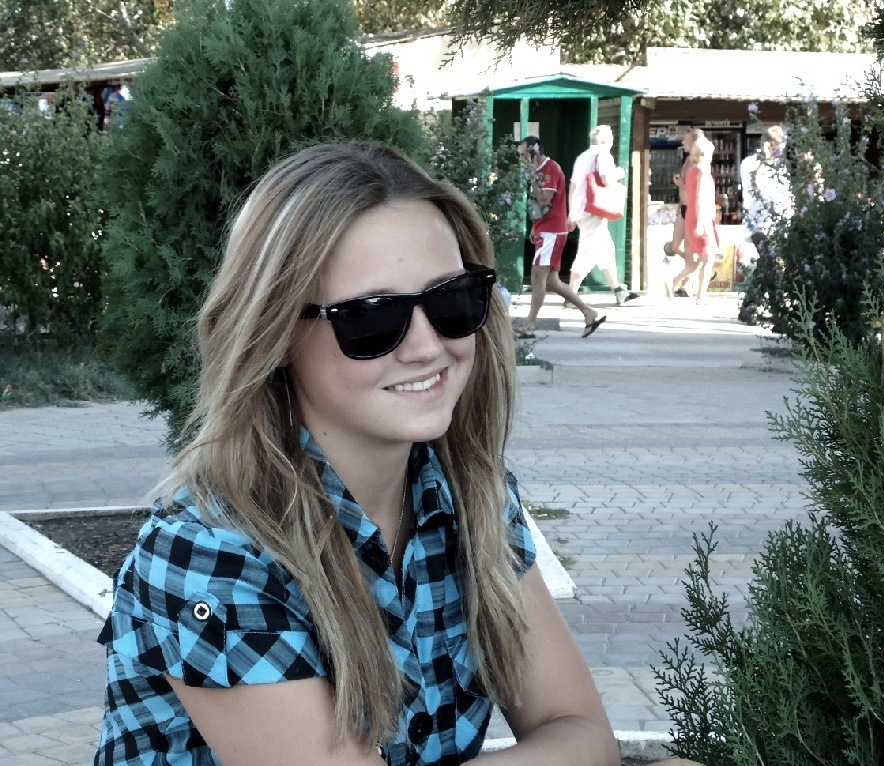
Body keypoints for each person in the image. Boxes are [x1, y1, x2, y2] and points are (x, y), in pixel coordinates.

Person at [93, 142, 705, 766]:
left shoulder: (470, 497)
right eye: (372, 318)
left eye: (452, 301)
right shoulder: (211, 555)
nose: (426, 346)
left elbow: (581, 732)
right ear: (275, 334)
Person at [514, 136, 606, 340]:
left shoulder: (550, 169)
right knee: (552, 281)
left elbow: (544, 199)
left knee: (537, 276)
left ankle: (529, 325)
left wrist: (531, 176)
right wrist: (535, 227)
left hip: (552, 231)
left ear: (534, 153)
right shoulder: (539, 170)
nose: (521, 159)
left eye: (523, 155)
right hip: (546, 229)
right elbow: (541, 206)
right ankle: (588, 312)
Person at [566, 125, 630, 307]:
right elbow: (606, 179)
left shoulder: (582, 157)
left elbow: (573, 186)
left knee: (603, 250)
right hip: (593, 211)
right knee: (588, 253)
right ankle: (571, 295)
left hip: (582, 211)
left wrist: (571, 214)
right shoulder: (603, 155)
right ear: (604, 140)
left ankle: (618, 290)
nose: (612, 141)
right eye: (610, 138)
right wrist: (619, 172)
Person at [738, 125, 792, 323]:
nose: (781, 150)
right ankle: (774, 310)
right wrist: (765, 161)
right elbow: (757, 188)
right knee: (771, 263)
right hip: (759, 222)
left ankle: (753, 306)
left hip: (778, 223)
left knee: (768, 264)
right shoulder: (751, 163)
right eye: (778, 146)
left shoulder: (781, 166)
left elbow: (784, 195)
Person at [668, 134, 719, 304]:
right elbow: (700, 198)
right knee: (707, 259)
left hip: (691, 215)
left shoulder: (691, 171)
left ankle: (675, 282)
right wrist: (701, 222)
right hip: (701, 218)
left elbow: (690, 196)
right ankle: (700, 296)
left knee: (697, 260)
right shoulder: (703, 172)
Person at [665, 128, 704, 297]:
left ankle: (687, 281)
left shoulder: (698, 163)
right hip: (682, 206)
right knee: (675, 246)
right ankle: (696, 267)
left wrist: (681, 184)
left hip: (691, 207)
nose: (682, 143)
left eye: (686, 140)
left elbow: (696, 189)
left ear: (694, 142)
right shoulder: (687, 159)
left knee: (689, 248)